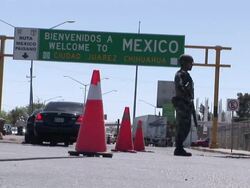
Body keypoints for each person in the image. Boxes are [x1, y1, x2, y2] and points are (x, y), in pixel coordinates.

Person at [172, 54, 194, 156]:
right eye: (190, 63)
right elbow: (180, 86)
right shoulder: (179, 74)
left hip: (186, 103)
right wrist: (186, 92)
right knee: (182, 126)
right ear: (184, 63)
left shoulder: (186, 75)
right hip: (182, 103)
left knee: (187, 126)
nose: (192, 65)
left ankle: (179, 147)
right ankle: (179, 148)